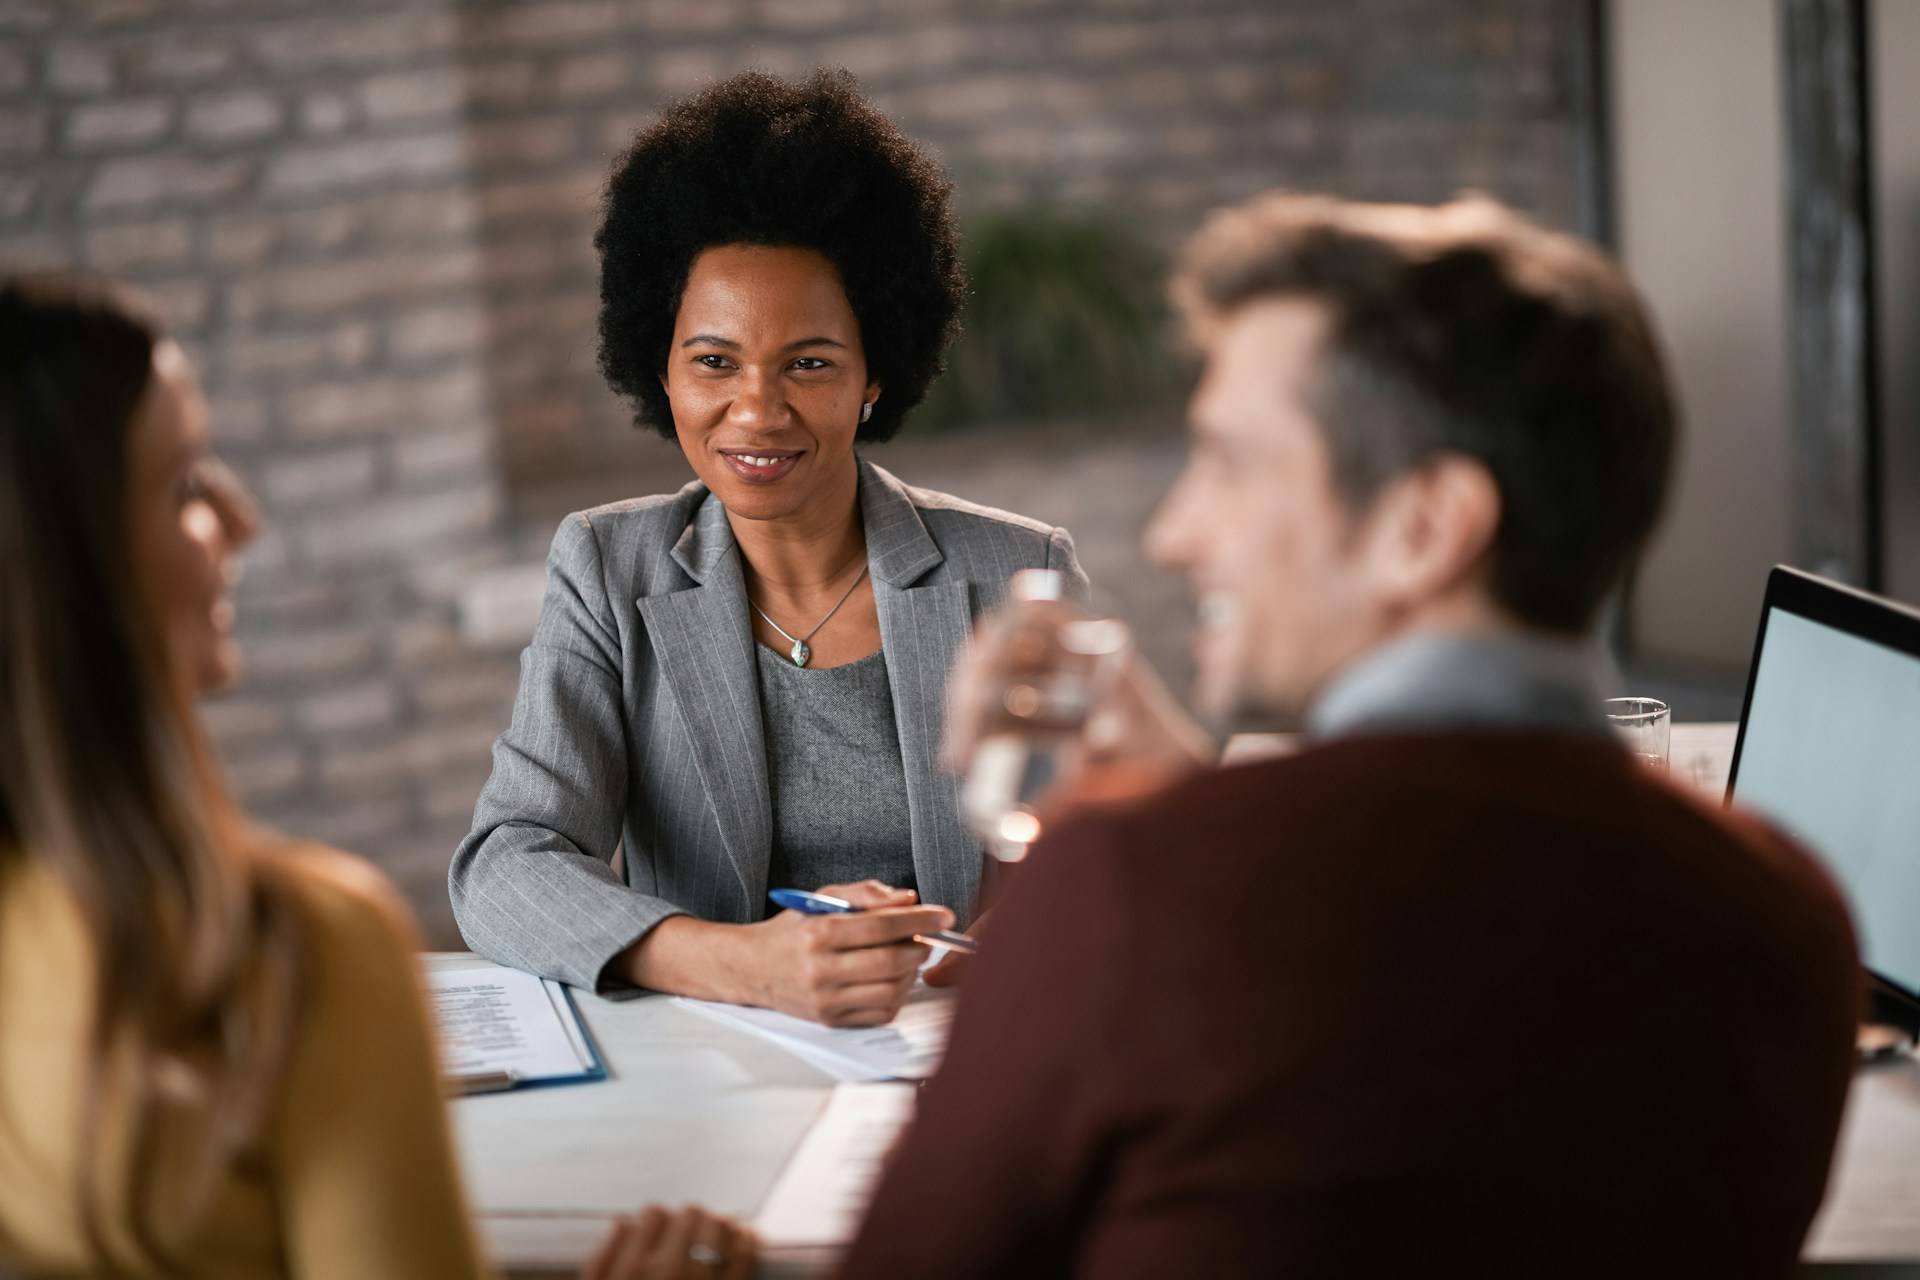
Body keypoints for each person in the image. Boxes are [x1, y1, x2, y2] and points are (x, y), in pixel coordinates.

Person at [842, 194, 1861, 1277]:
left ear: (1425, 526)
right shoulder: (1787, 914)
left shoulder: (1128, 896)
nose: (1174, 533)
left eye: (1230, 464)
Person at [0, 275, 753, 1278]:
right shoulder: (297, 956)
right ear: (68, 561)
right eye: (184, 484)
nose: (243, 517)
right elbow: (506, 858)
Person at [450, 69, 1086, 1026]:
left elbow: (1106, 854)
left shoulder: (1017, 573)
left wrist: (1017, 935)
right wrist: (747, 964)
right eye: (714, 361)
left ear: (875, 375)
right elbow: (504, 867)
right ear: (658, 369)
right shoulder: (607, 570)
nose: (757, 410)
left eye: (810, 364)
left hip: (961, 1046)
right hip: (712, 1061)